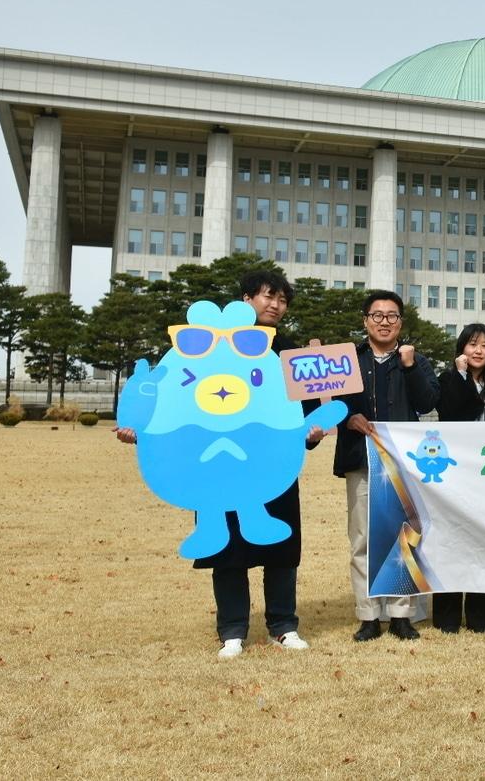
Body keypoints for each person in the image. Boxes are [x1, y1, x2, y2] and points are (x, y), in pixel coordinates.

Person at [115, 270, 331, 659]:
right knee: (226, 546)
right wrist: (139, 428)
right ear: (246, 299)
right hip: (214, 468)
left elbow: (310, 413)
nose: (276, 306)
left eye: (283, 300)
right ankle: (232, 629)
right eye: (269, 297)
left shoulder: (291, 354)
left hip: (272, 469)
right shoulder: (204, 345)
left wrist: (313, 432)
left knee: (281, 544)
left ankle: (283, 626)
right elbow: (170, 394)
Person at [330, 290, 440, 642]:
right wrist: (348, 417)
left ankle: (401, 614)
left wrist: (409, 367)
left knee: (402, 537)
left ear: (400, 323)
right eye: (377, 315)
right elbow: (329, 403)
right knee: (362, 538)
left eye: (392, 316)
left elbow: (427, 402)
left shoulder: (414, 360)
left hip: (402, 464)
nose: (384, 322)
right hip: (360, 459)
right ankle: (368, 615)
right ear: (365, 320)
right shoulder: (347, 359)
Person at [431, 323, 485, 633]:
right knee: (450, 540)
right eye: (471, 345)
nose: (478, 351)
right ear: (461, 350)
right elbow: (452, 412)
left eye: (484, 346)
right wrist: (462, 377)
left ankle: (481, 616)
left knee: (482, 541)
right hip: (452, 474)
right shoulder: (448, 380)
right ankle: (446, 616)